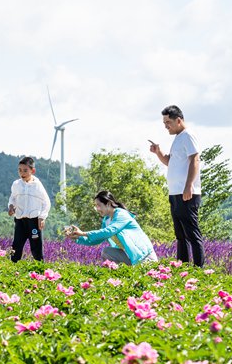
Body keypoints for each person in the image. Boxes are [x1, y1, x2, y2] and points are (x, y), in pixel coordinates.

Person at [149, 105, 204, 267]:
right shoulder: (178, 138)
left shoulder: (188, 136)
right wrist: (158, 152)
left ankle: (199, 269)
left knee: (192, 233)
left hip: (186, 192)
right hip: (174, 193)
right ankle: (182, 267)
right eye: (164, 122)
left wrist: (189, 186)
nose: (166, 126)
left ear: (178, 120)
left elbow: (195, 159)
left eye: (168, 122)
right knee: (180, 235)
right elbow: (170, 161)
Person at [65, 190, 158, 266]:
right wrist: (77, 238)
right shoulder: (106, 220)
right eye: (95, 206)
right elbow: (97, 239)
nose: (97, 209)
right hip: (130, 256)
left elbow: (108, 231)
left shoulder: (121, 214)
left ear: (108, 204)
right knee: (107, 251)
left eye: (98, 205)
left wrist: (83, 233)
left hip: (144, 257)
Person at [7, 156, 51, 262]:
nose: (22, 173)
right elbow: (12, 198)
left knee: (36, 247)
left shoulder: (37, 186)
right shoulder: (16, 184)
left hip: (34, 221)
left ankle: (40, 269)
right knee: (16, 246)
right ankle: (13, 268)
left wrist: (42, 217)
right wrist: (11, 207)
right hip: (20, 220)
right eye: (20, 170)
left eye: (25, 170)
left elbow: (46, 202)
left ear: (33, 170)